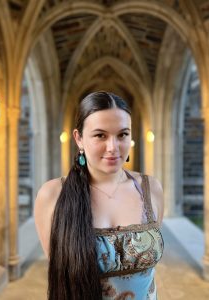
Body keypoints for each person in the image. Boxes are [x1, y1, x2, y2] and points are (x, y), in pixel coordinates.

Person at [34, 91, 164, 300]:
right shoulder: (53, 196)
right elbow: (61, 279)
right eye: (100, 135)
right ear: (79, 139)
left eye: (122, 134)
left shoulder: (151, 190)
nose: (113, 147)